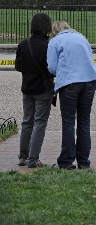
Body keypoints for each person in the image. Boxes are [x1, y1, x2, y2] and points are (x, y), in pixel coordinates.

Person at [47, 21, 96, 170]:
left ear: (54, 31)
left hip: (69, 82)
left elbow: (52, 67)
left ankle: (66, 161)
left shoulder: (55, 41)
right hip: (89, 81)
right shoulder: (82, 38)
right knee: (84, 121)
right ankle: (83, 161)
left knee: (68, 122)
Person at [15, 13, 54, 168]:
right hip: (43, 88)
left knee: (27, 121)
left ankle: (23, 156)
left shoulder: (24, 44)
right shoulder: (48, 45)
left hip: (27, 87)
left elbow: (18, 66)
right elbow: (51, 69)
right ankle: (33, 158)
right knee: (40, 122)